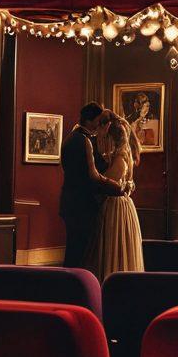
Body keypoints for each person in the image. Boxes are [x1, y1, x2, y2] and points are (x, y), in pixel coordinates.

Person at [60, 102, 122, 267]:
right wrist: (116, 187)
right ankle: (75, 288)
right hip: (82, 205)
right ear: (89, 120)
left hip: (70, 202)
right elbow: (93, 176)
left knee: (74, 251)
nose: (100, 125)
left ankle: (70, 286)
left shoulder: (71, 138)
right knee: (81, 255)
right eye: (98, 121)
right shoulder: (83, 140)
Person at [87, 118, 144, 282]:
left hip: (115, 206)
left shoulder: (120, 158)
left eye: (105, 139)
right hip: (119, 204)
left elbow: (107, 183)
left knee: (113, 247)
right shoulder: (121, 155)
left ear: (112, 139)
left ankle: (111, 281)